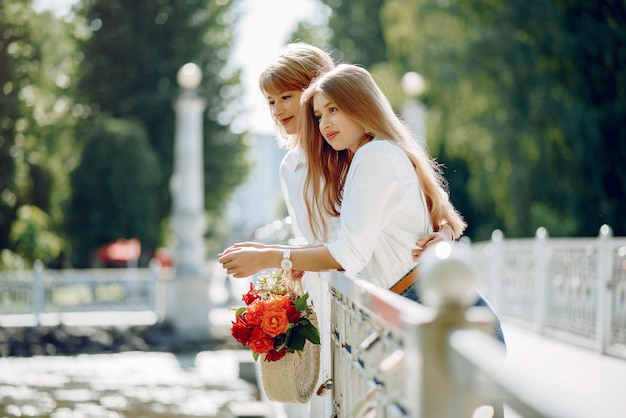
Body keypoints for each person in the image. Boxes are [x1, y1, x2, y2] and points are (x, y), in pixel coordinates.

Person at [220, 64, 504, 344]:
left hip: (432, 307)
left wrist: (268, 257)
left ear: (360, 106)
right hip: (415, 305)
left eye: (334, 110)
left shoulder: (375, 156)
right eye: (319, 115)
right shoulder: (366, 156)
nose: (325, 124)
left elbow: (348, 254)